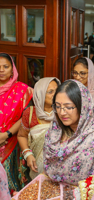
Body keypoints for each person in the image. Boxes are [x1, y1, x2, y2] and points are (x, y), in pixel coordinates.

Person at [43, 80, 94, 185]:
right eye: (58, 106)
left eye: (68, 107)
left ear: (83, 106)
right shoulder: (54, 132)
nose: (61, 112)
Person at [0, 53, 33, 192]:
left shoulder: (23, 90)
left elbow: (26, 116)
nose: (1, 70)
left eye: (5, 66)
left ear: (12, 69)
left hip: (12, 142)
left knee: (9, 182)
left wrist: (5, 134)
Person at [17, 77, 60, 180]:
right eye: (50, 92)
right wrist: (28, 154)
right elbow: (22, 135)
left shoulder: (63, 111)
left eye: (57, 91)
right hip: (37, 167)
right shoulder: (30, 113)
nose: (55, 95)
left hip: (60, 167)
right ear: (40, 94)